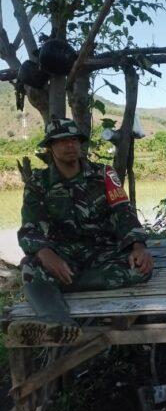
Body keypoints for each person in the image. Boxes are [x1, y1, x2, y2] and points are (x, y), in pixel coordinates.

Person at [8, 118, 153, 346]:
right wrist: (46, 253)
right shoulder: (38, 182)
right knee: (30, 268)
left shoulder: (104, 174)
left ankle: (60, 284)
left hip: (103, 254)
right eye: (62, 141)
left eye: (74, 140)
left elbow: (124, 212)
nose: (70, 145)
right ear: (50, 147)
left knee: (141, 269)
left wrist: (139, 246)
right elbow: (29, 227)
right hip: (63, 258)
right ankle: (58, 324)